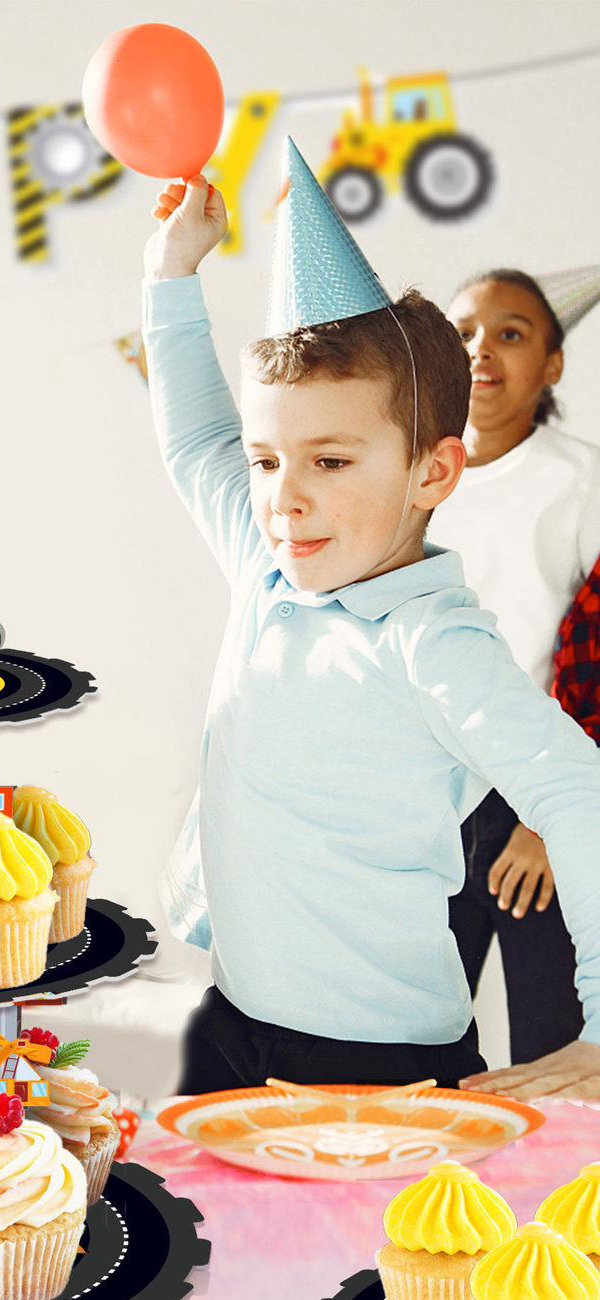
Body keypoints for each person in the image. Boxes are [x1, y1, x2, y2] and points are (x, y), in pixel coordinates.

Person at [143, 142, 600, 1094]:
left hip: (382, 1066)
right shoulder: (265, 567)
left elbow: (577, 792)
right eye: (267, 459)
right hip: (234, 1023)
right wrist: (171, 276)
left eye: (331, 461)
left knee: (386, 1252)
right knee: (208, 1238)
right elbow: (195, 442)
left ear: (432, 471)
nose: (284, 499)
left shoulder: (432, 641)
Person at [425, 270, 600, 1066]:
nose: (480, 350)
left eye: (510, 332)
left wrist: (544, 817)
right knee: (414, 1041)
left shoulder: (578, 480)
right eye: (462, 332)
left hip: (536, 797)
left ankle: (565, 1192)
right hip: (425, 796)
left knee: (550, 1040)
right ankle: (430, 1195)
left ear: (553, 365)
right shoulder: (414, 479)